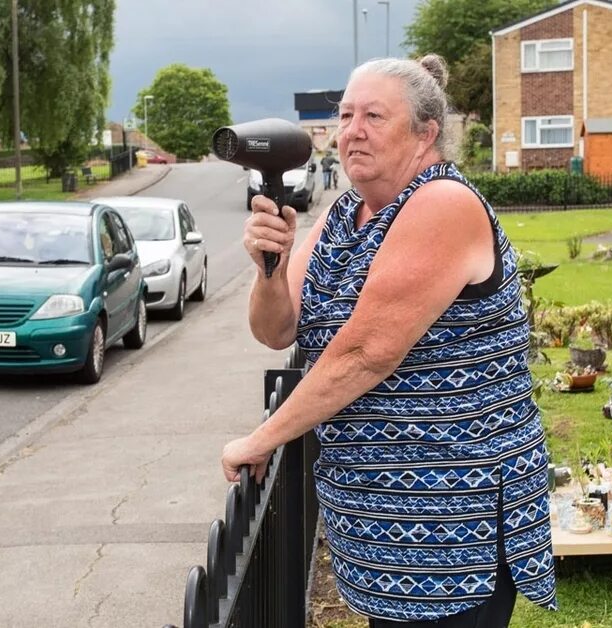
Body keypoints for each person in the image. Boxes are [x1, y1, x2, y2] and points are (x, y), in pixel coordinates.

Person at [222, 54, 556, 627]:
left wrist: (262, 438)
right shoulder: (344, 213)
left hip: (451, 521)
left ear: (425, 133)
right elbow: (275, 329)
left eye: (374, 116)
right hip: (383, 523)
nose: (352, 130)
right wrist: (269, 269)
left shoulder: (443, 205)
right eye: (346, 114)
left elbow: (366, 352)